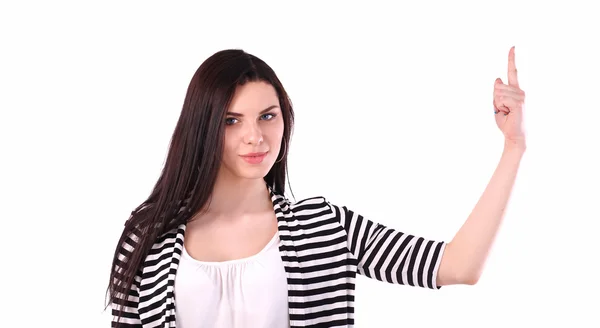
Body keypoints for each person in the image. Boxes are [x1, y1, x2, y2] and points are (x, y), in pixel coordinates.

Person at [107, 47, 526, 328]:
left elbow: (457, 266)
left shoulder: (323, 227)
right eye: (232, 121)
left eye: (267, 117)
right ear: (203, 127)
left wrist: (512, 148)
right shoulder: (148, 235)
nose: (255, 137)